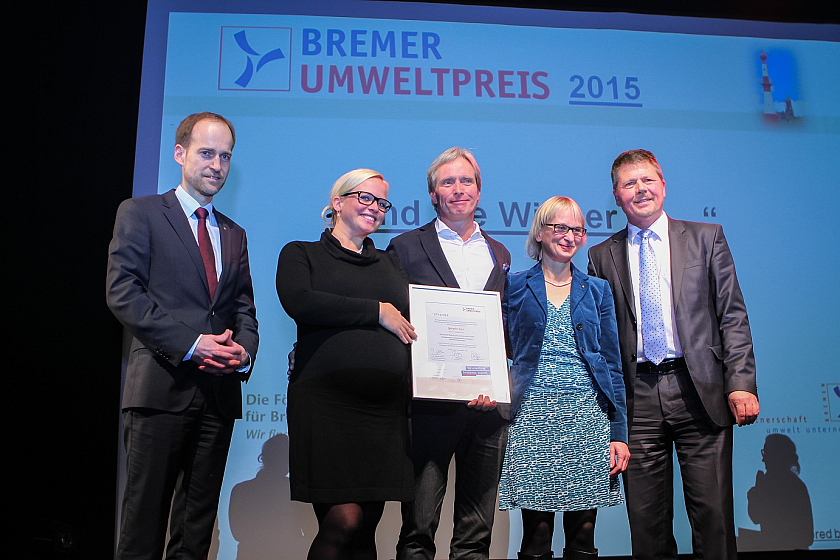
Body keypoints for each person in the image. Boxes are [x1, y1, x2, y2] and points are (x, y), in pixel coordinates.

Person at [587, 149, 759, 560]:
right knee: (646, 526)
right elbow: (602, 342)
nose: (640, 189)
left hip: (699, 390)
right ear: (616, 196)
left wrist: (741, 383)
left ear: (663, 185)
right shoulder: (600, 255)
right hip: (637, 398)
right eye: (629, 183)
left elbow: (732, 315)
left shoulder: (706, 237)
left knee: (712, 517)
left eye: (648, 180)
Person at [106, 112, 259, 560]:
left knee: (196, 532)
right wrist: (193, 345)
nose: (217, 165)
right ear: (180, 154)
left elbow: (244, 309)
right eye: (206, 152)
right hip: (159, 392)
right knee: (142, 528)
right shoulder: (141, 213)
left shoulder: (235, 233)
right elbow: (123, 293)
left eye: (225, 156)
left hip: (218, 397)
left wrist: (242, 353)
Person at [276, 169, 416, 560]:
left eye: (382, 202)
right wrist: (376, 312)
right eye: (366, 198)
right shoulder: (301, 253)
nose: (375, 208)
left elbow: (418, 319)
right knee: (344, 522)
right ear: (337, 202)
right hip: (326, 408)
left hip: (383, 413)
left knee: (366, 530)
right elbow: (300, 301)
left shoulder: (390, 264)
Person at [387, 147, 511, 560]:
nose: (459, 189)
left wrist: (496, 382)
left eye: (467, 181)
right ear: (434, 194)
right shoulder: (404, 247)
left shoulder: (500, 253)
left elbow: (503, 328)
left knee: (476, 536)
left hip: (487, 408)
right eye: (448, 182)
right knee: (419, 530)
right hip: (430, 408)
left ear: (479, 189)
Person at [500, 196, 629, 560]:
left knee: (584, 533)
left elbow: (613, 367)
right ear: (540, 232)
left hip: (587, 419)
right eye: (560, 227)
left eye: (577, 229)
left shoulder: (598, 290)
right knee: (537, 532)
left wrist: (618, 434)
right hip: (532, 419)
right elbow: (502, 349)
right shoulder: (514, 286)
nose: (569, 236)